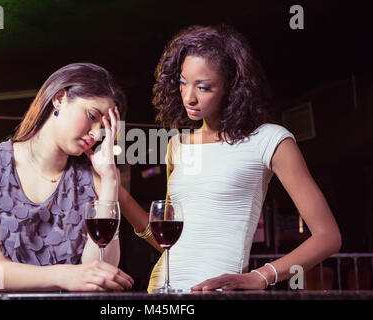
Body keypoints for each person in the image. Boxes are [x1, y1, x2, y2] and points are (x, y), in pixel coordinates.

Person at [118, 24, 342, 292]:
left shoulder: (270, 140)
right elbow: (166, 238)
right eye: (182, 82)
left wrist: (261, 276)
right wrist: (114, 188)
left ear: (232, 86)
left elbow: (328, 236)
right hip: (162, 291)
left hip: (220, 293)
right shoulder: (178, 145)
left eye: (203, 87)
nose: (189, 97)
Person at [0, 62, 134, 293]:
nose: (96, 133)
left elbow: (99, 274)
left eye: (105, 127)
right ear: (59, 98)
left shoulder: (95, 180)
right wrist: (65, 275)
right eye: (92, 116)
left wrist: (110, 181)